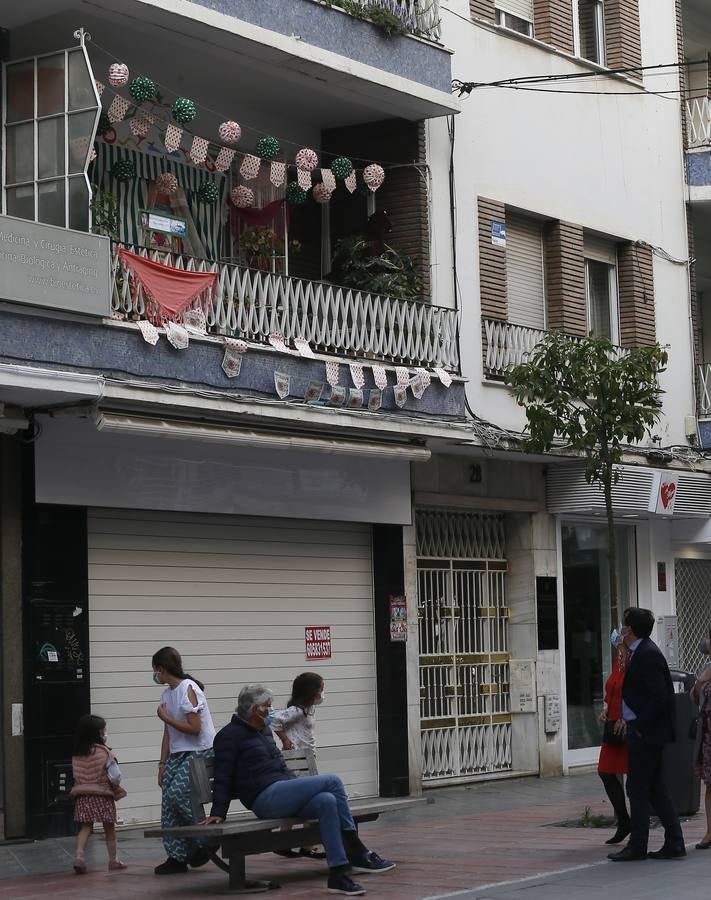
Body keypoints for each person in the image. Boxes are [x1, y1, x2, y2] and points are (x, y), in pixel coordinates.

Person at [205, 684, 395, 897]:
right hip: (263, 798)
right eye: (267, 706)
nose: (271, 711)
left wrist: (298, 788)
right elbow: (222, 776)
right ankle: (357, 849)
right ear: (253, 709)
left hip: (282, 791)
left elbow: (280, 766)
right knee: (333, 781)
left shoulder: (264, 731)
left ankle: (338, 874)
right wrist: (218, 812)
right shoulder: (228, 736)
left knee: (326, 801)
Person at [608, 607, 685, 862]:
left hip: (646, 733)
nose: (620, 630)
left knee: (637, 788)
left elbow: (660, 698)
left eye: (623, 625)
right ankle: (675, 842)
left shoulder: (647, 655)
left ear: (629, 629)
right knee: (656, 788)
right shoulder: (637, 652)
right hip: (645, 731)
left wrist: (638, 725)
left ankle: (638, 845)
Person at [152, 646, 217, 875]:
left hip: (198, 751)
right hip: (178, 754)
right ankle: (176, 856)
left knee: (178, 795)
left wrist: (166, 717)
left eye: (155, 671)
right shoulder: (167, 694)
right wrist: (162, 764)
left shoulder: (188, 688)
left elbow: (195, 728)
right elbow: (168, 734)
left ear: (161, 668)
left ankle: (206, 839)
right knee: (167, 802)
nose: (154, 676)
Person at [272, 672, 326, 860]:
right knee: (310, 799)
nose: (322, 694)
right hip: (298, 760)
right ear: (311, 691)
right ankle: (304, 844)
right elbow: (275, 721)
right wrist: (286, 741)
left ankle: (289, 841)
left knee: (302, 801)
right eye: (320, 690)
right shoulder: (297, 710)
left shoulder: (308, 709)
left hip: (307, 758)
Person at [70, 713, 127, 874]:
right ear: (97, 734)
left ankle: (79, 857)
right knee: (109, 827)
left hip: (83, 795)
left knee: (86, 827)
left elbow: (76, 774)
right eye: (103, 731)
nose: (105, 733)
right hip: (102, 794)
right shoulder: (105, 753)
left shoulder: (77, 753)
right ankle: (113, 860)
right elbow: (115, 777)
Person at [597, 630, 631, 845]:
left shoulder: (634, 660)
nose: (617, 638)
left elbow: (634, 693)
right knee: (606, 772)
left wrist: (626, 717)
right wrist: (607, 708)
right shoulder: (619, 661)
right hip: (613, 724)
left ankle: (635, 825)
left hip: (627, 724)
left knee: (637, 779)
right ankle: (624, 819)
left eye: (619, 637)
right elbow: (613, 688)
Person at [692, 625, 711, 850]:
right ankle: (709, 832)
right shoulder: (706, 667)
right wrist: (699, 681)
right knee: (710, 784)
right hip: (707, 737)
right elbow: (694, 699)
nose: (705, 641)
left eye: (708, 638)